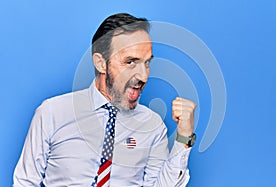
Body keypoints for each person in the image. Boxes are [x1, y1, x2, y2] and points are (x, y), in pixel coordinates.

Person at [13, 13, 197, 187]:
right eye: (130, 62)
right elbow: (25, 182)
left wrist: (184, 137)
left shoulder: (153, 126)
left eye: (146, 63)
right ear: (101, 63)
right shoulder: (52, 112)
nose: (143, 76)